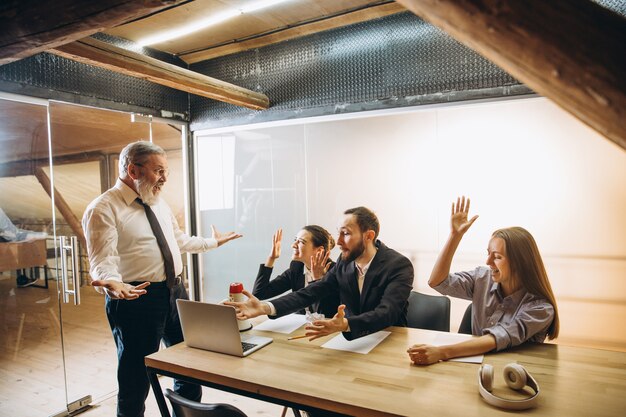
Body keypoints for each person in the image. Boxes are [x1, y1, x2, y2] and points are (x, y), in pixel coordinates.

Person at [82, 140, 241, 417]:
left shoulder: (157, 201)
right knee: (136, 377)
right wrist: (113, 283)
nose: (164, 178)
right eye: (158, 171)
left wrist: (212, 243)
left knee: (190, 362)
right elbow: (102, 260)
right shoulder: (103, 208)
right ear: (133, 170)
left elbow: (176, 240)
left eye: (165, 171)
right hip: (137, 298)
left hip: (175, 292)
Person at [408, 196, 559, 366]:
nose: (488, 262)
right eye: (488, 254)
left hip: (514, 375)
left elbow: (496, 338)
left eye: (497, 257)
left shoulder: (541, 309)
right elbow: (437, 282)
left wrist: (441, 352)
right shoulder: (482, 278)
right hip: (476, 369)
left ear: (520, 262)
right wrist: (455, 236)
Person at [227, 206, 414, 342]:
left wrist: (347, 323)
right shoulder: (344, 262)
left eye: (346, 234)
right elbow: (311, 292)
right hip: (350, 341)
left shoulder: (398, 265)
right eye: (338, 233)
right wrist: (265, 307)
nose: (338, 242)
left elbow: (387, 313)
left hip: (389, 340)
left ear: (369, 236)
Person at [252, 226, 340, 319]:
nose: (293, 245)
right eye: (295, 240)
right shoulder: (297, 267)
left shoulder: (335, 272)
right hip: (300, 326)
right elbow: (260, 293)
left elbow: (322, 314)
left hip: (328, 329)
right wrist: (271, 258)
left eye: (301, 242)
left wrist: (317, 280)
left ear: (319, 250)